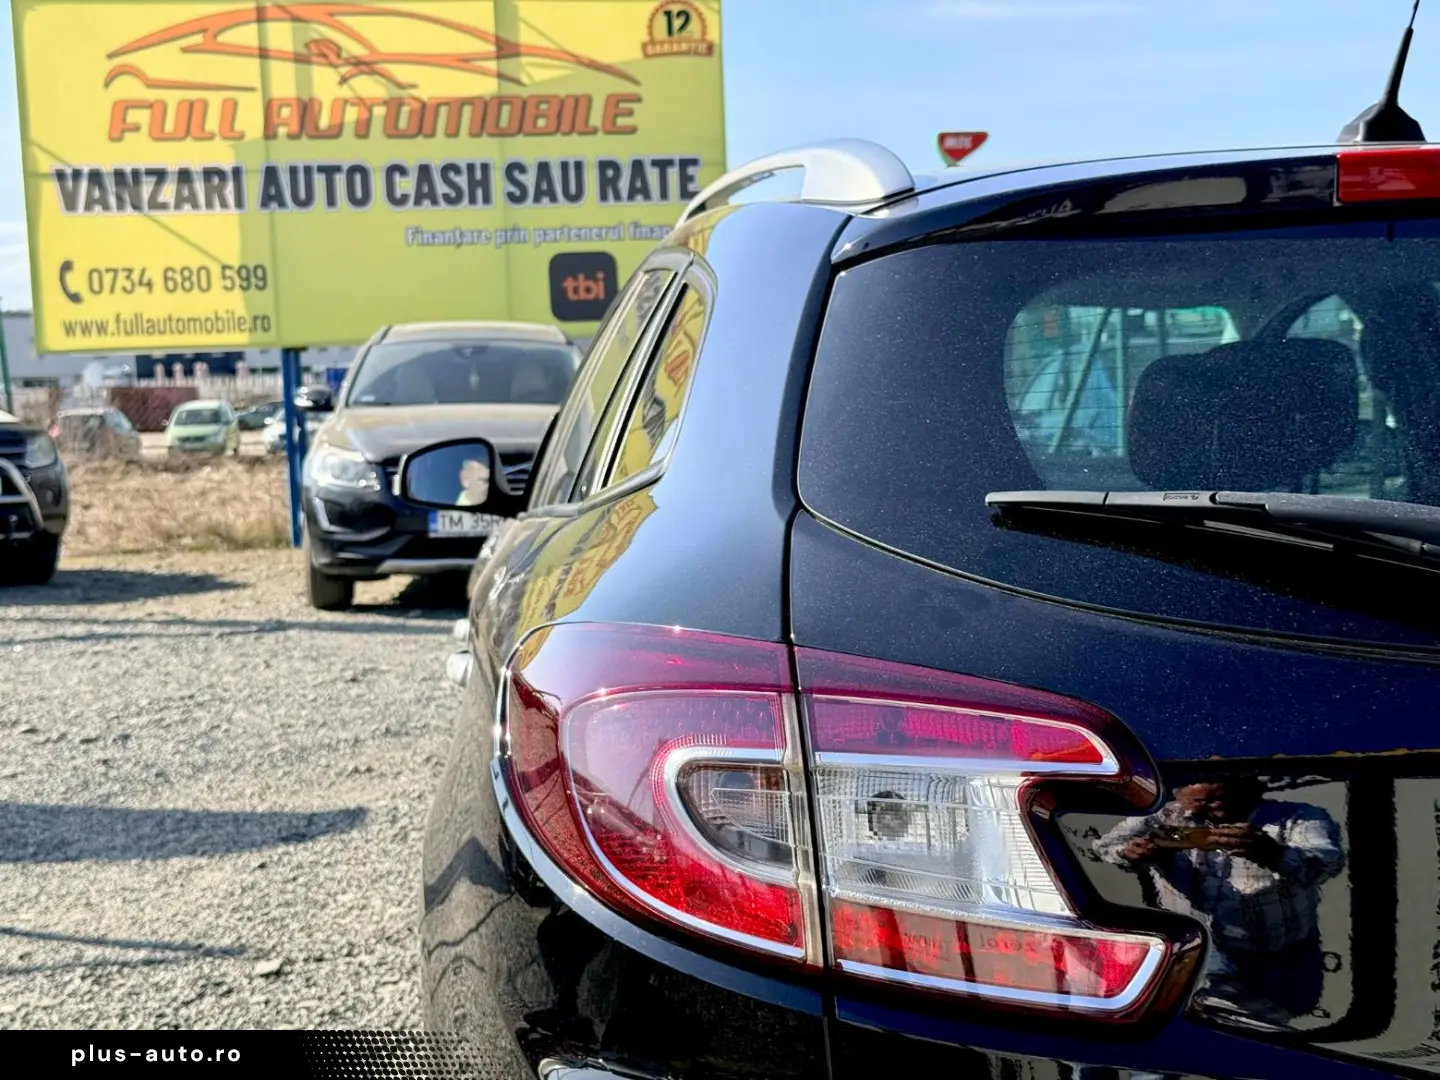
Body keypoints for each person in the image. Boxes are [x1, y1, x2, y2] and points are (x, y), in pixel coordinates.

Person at [1094, 775, 1344, 1025]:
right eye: (1201, 802)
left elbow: (1327, 864)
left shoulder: (1297, 818)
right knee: (1216, 1024)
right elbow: (1105, 846)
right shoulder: (1164, 818)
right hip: (1202, 951)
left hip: (1281, 950)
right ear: (1180, 795)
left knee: (1293, 1017)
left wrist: (1271, 853)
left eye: (1223, 800)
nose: (1215, 809)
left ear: (1250, 790)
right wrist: (1130, 853)